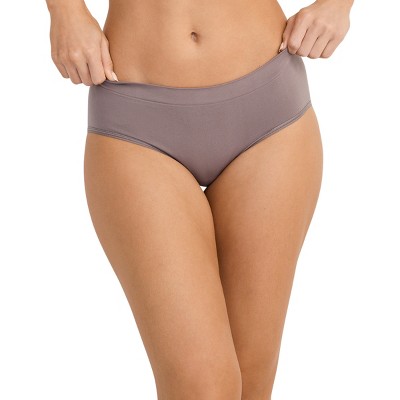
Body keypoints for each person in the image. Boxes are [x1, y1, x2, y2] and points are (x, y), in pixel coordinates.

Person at [46, 0, 353, 398]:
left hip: (267, 109)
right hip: (136, 119)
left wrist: (338, 5)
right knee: (201, 386)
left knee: (251, 384)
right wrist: (65, 11)